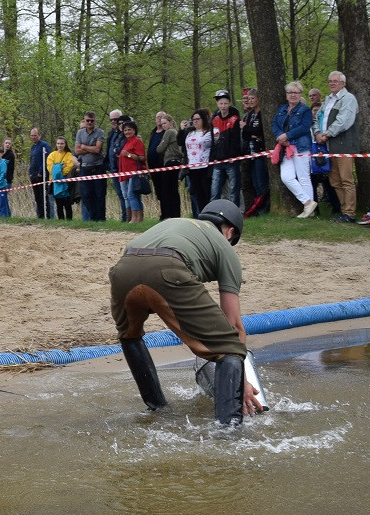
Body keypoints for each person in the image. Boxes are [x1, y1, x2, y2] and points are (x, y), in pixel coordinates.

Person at [109, 199, 262, 425]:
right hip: (168, 268)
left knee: (130, 336)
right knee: (229, 348)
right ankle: (229, 434)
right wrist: (243, 381)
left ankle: (157, 410)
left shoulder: (176, 223)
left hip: (123, 270)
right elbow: (234, 324)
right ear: (229, 232)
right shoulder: (224, 248)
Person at [314, 71, 360, 222]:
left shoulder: (348, 99)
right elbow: (318, 118)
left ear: (343, 83)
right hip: (328, 146)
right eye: (330, 81)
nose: (332, 83)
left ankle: (350, 213)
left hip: (344, 145)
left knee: (346, 179)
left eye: (335, 81)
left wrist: (327, 134)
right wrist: (318, 133)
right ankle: (344, 210)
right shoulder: (328, 100)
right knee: (334, 180)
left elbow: (344, 121)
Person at [272, 81, 317, 218]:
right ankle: (308, 202)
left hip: (301, 146)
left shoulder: (305, 110)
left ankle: (309, 211)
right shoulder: (282, 109)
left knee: (304, 178)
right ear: (286, 95)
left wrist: (288, 136)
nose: (293, 95)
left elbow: (304, 127)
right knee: (286, 177)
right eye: (290, 92)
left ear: (300, 95)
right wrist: (280, 136)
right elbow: (274, 124)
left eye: (296, 93)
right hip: (285, 148)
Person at [209, 90, 242, 207]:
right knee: (215, 189)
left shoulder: (234, 119)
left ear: (229, 103)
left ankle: (235, 212)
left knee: (234, 189)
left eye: (225, 103)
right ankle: (213, 212)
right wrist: (212, 157)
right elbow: (213, 140)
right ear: (217, 104)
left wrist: (233, 156)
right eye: (221, 103)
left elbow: (236, 140)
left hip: (231, 160)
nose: (223, 106)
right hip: (218, 160)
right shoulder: (214, 119)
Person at [241, 88, 270, 217]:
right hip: (251, 152)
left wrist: (248, 129)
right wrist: (250, 132)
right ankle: (258, 207)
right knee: (255, 183)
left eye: (253, 98)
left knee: (262, 181)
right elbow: (246, 134)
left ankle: (265, 207)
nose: (251, 101)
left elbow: (259, 131)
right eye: (249, 98)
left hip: (261, 151)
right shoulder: (250, 115)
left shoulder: (262, 113)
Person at [179, 107, 213, 215]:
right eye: (193, 119)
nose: (195, 121)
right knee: (197, 195)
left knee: (206, 193)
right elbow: (180, 142)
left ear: (203, 119)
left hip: (204, 167)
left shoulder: (209, 133)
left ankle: (210, 215)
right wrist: (181, 129)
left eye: (197, 119)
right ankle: (201, 216)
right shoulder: (190, 133)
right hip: (192, 168)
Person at [310, 98, 340, 216]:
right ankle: (315, 209)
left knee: (330, 183)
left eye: (318, 110)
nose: (316, 113)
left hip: (326, 155)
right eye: (314, 110)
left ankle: (336, 207)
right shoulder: (309, 124)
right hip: (312, 157)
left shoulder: (325, 124)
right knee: (312, 183)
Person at [76, 111, 106, 221]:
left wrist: (84, 146)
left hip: (98, 166)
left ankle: (101, 219)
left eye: (91, 120)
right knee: (86, 195)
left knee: (100, 194)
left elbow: (98, 149)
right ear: (85, 120)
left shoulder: (100, 132)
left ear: (95, 121)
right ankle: (93, 217)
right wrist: (90, 148)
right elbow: (77, 151)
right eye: (87, 120)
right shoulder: (80, 133)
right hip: (85, 167)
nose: (89, 122)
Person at [155, 114, 183, 219]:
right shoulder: (176, 132)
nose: (163, 126)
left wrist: (161, 146)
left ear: (171, 123)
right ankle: (175, 214)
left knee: (167, 190)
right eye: (161, 124)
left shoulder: (170, 132)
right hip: (177, 162)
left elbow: (159, 149)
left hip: (170, 162)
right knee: (173, 190)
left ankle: (169, 214)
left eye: (165, 123)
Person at [118, 120, 146, 223]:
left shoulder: (137, 141)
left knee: (131, 194)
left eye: (129, 129)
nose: (127, 132)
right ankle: (138, 218)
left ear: (134, 130)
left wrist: (128, 155)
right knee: (134, 195)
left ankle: (135, 218)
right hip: (126, 173)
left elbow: (142, 157)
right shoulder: (126, 142)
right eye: (125, 130)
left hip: (135, 172)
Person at [105, 110, 128, 222]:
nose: (114, 122)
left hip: (123, 168)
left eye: (116, 120)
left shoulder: (125, 133)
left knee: (127, 194)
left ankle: (129, 217)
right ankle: (124, 217)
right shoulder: (111, 133)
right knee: (120, 194)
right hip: (113, 168)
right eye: (111, 120)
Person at [46, 136, 76, 220]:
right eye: (58, 143)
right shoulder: (51, 155)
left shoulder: (69, 155)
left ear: (65, 144)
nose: (60, 145)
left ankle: (69, 220)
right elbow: (50, 168)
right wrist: (60, 166)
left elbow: (68, 168)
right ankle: (61, 221)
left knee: (67, 204)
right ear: (56, 144)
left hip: (66, 182)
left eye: (62, 143)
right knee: (58, 204)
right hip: (55, 183)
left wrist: (57, 168)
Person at [27, 128, 52, 219]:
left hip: (41, 176)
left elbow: (46, 159)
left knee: (43, 197)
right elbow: (31, 160)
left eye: (35, 135)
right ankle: (40, 216)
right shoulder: (33, 147)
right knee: (37, 197)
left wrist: (41, 172)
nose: (33, 137)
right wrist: (30, 172)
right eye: (32, 135)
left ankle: (47, 216)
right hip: (33, 175)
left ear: (39, 135)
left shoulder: (44, 145)